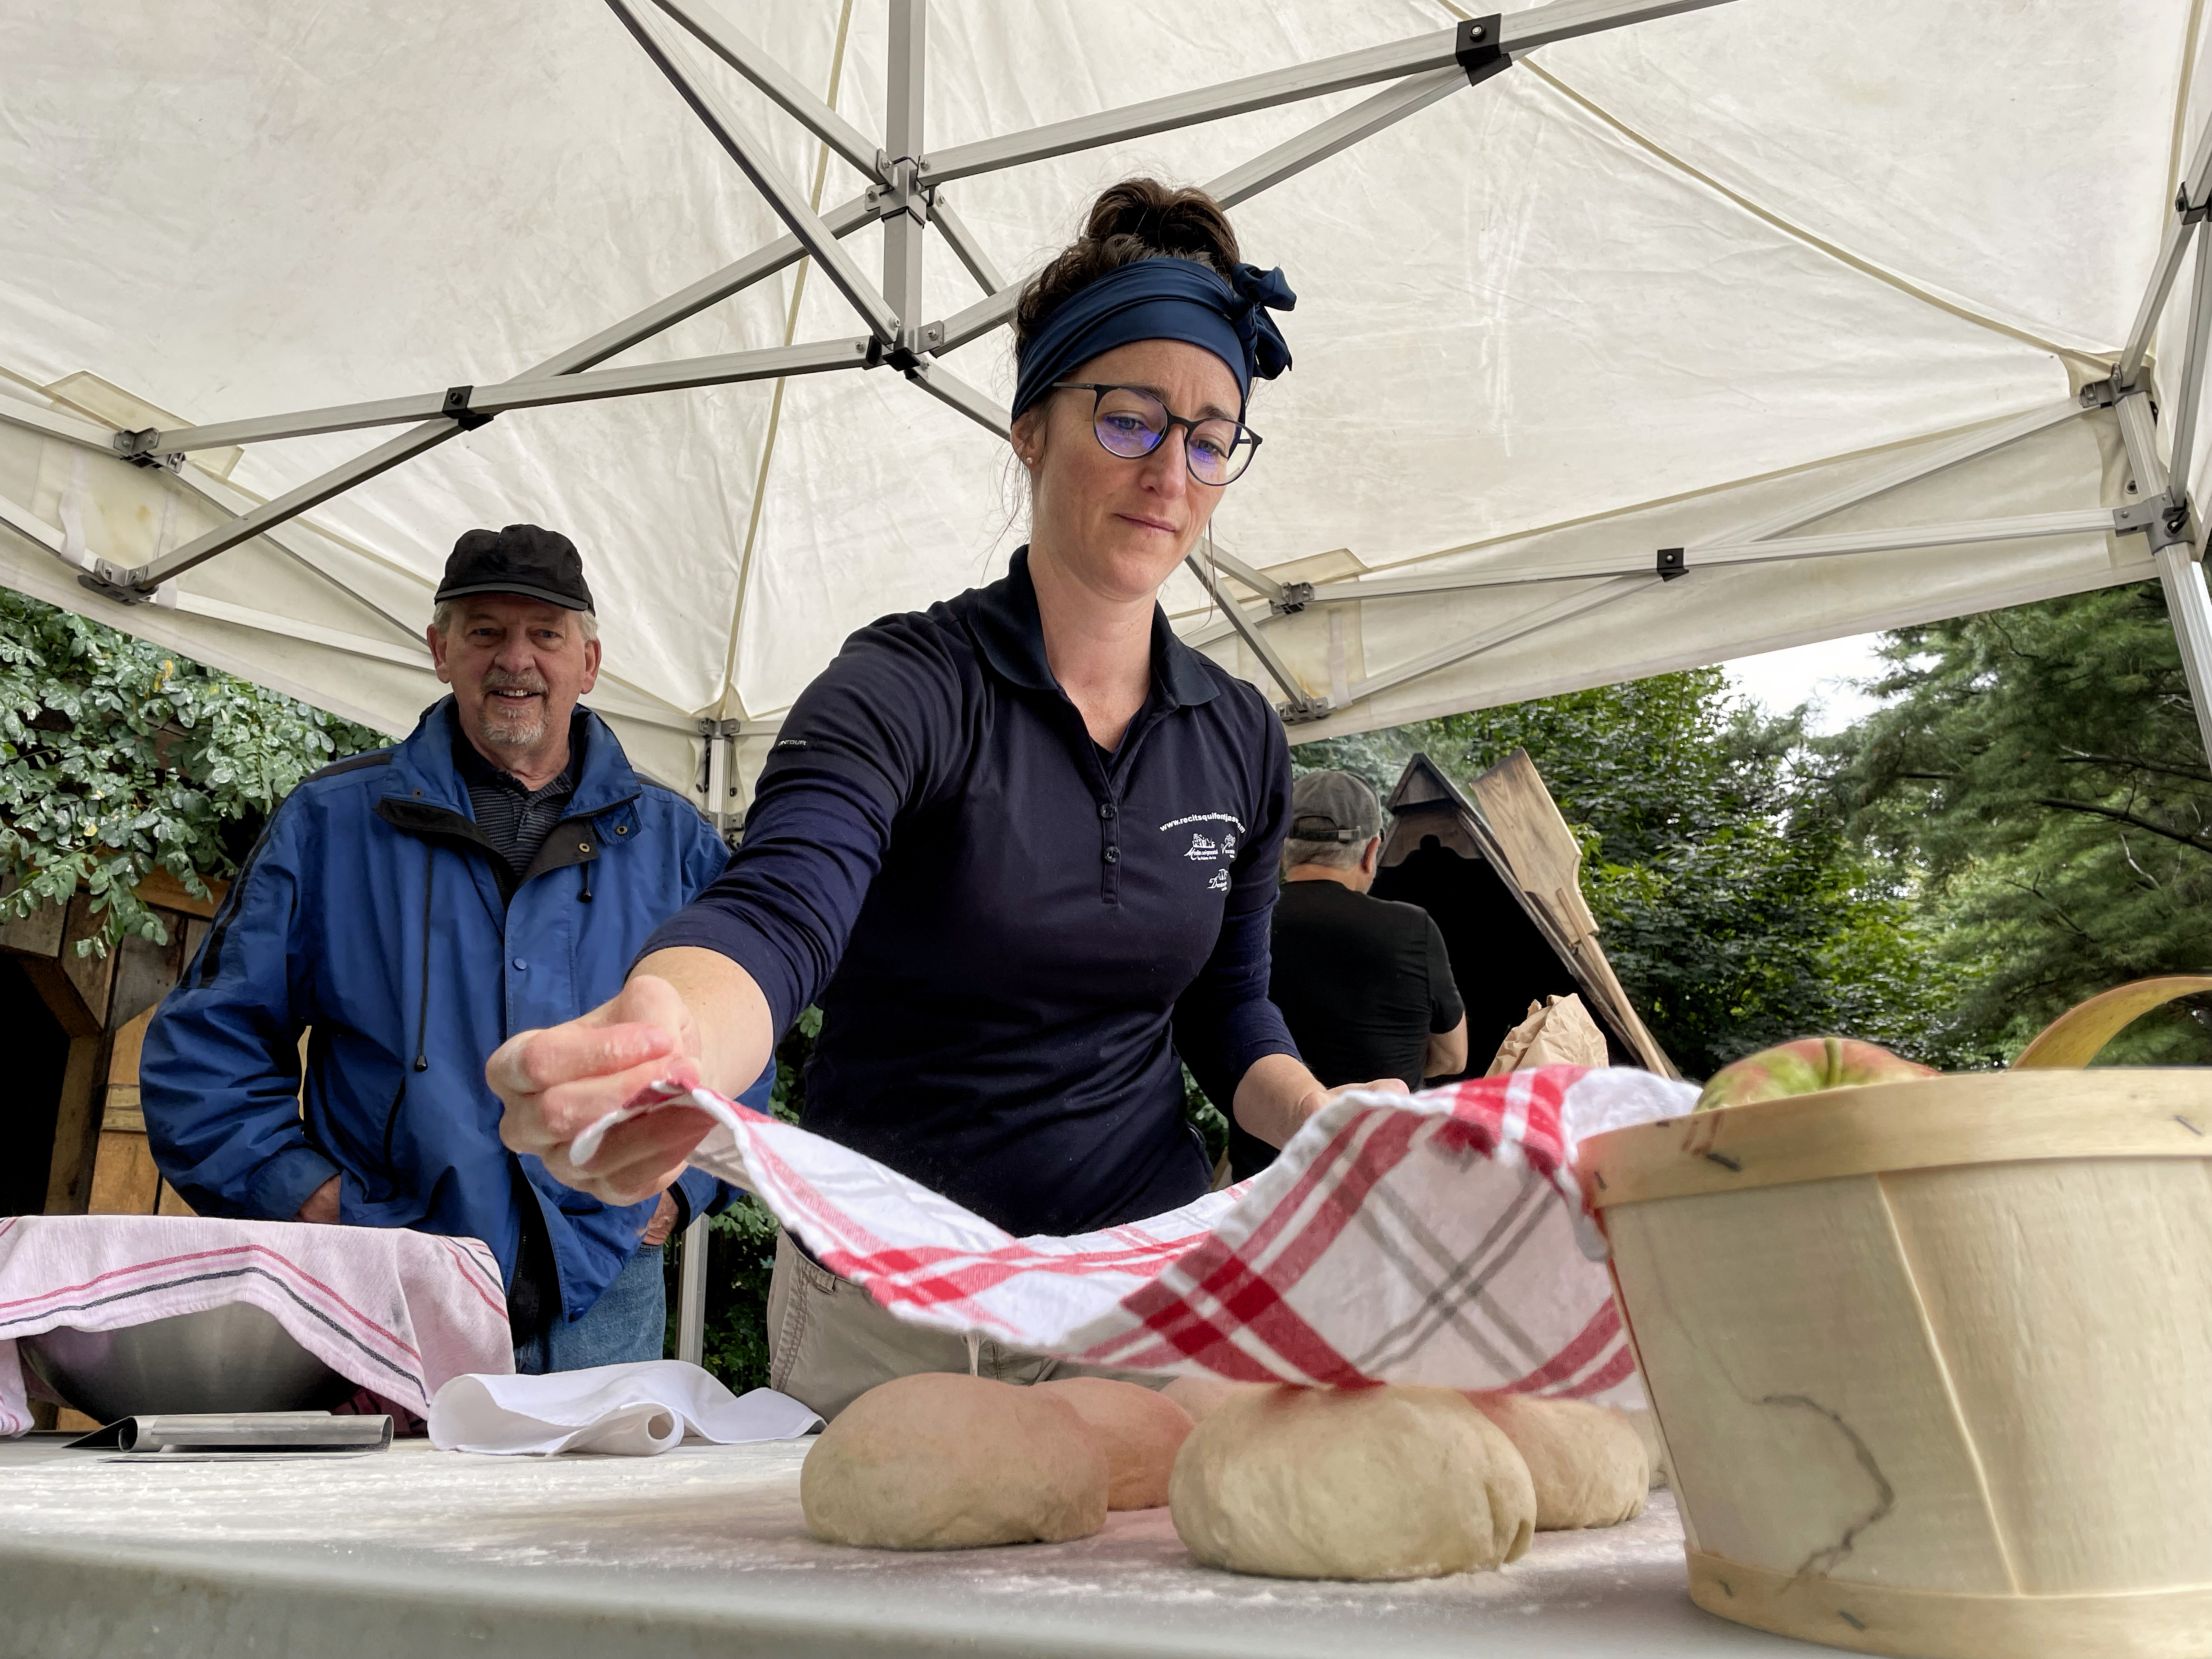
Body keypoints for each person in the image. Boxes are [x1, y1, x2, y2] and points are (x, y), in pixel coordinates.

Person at [483, 180, 1402, 1419]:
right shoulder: (904, 688)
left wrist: (1327, 1120)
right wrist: (669, 1042)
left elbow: (1230, 1015)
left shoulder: (1235, 735)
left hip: (1143, 1289)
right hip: (896, 1297)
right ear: (1032, 427)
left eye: (1208, 438)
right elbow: (780, 911)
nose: (1170, 473)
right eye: (1131, 421)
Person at [141, 524, 745, 1374]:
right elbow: (207, 1050)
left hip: (605, 1290)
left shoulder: (675, 844)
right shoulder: (331, 825)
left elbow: (735, 1046)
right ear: (440, 650)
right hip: (384, 1284)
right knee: (378, 1513)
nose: (517, 661)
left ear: (590, 662)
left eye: (545, 635)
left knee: (592, 1515)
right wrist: (307, 1197)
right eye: (486, 632)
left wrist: (679, 1194)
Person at [1229, 771, 1468, 1182]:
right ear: (1371, 851)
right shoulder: (1412, 929)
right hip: (1383, 1178)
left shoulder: (1243, 924)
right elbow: (1453, 1057)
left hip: (1265, 1188)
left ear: (1284, 850)